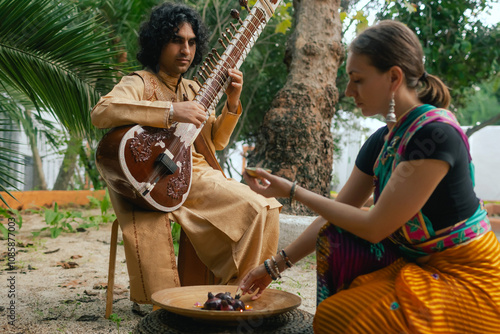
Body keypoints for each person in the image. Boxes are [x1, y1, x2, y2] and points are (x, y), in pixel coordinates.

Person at [239, 20, 500, 333]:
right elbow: (331, 219)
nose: (348, 91)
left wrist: (292, 191)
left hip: (469, 277)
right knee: (335, 311)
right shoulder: (383, 141)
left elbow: (374, 227)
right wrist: (273, 266)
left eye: (357, 80)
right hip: (418, 267)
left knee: (363, 323)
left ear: (393, 77)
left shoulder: (435, 137)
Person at [91, 2, 281, 305]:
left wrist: (232, 103)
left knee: (265, 209)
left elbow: (214, 142)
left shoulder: (196, 89)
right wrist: (171, 110)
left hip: (195, 174)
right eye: (177, 40)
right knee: (258, 208)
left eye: (192, 42)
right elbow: (101, 112)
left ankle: (239, 292)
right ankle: (234, 296)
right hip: (156, 176)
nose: (186, 50)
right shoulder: (140, 82)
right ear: (158, 43)